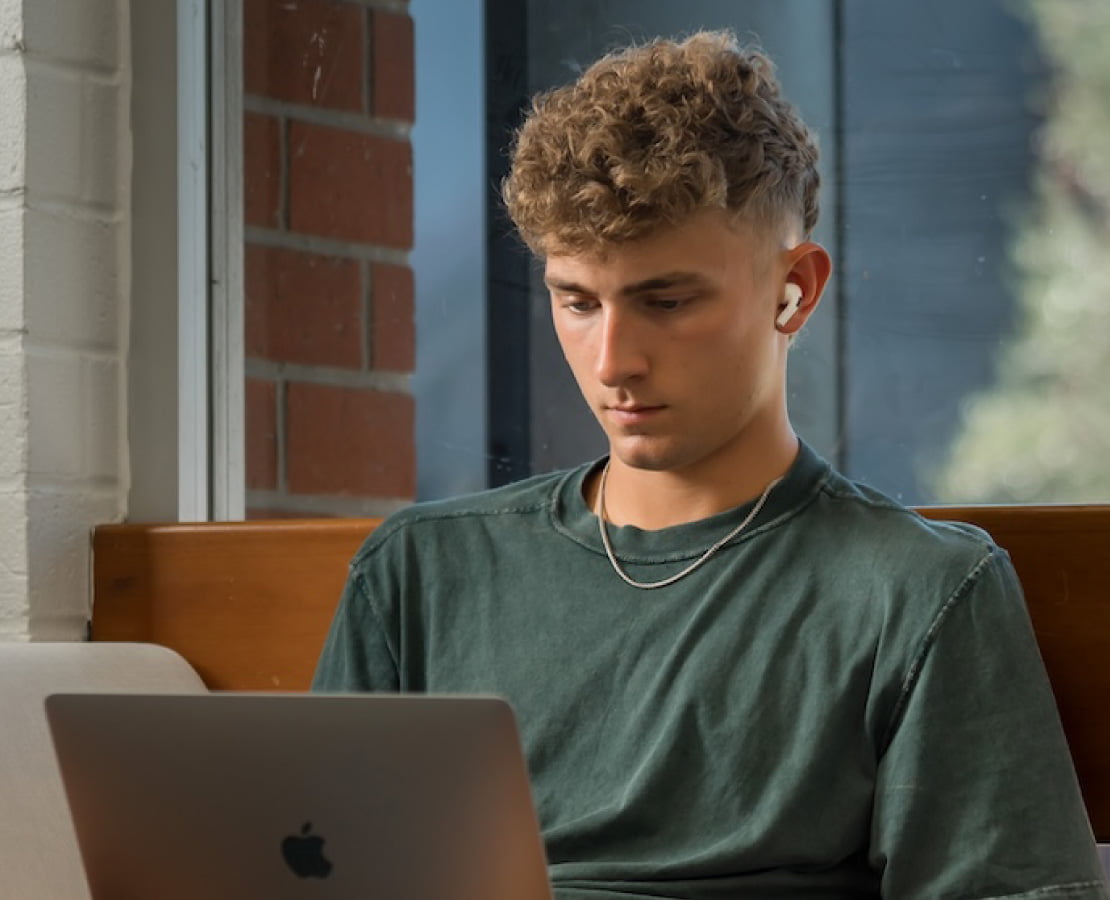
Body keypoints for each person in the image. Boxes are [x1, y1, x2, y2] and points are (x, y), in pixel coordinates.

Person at [313, 30, 1107, 899]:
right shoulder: (419, 575)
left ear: (793, 289)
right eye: (576, 302)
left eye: (667, 301)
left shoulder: (917, 595)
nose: (613, 359)